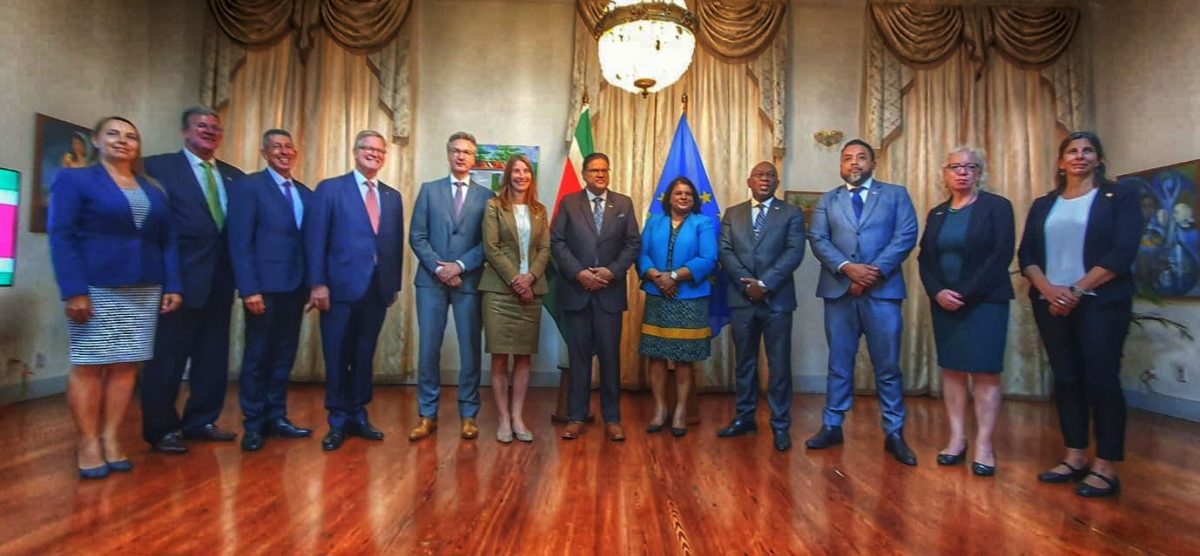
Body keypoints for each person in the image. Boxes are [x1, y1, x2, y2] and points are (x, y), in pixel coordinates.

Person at [48, 116, 182, 478]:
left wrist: (173, 285)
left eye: (131, 137)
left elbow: (165, 241)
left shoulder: (152, 187)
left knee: (125, 366)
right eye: (113, 134)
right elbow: (62, 236)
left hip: (144, 286)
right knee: (90, 364)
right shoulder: (75, 179)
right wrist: (74, 290)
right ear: (96, 140)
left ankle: (110, 439)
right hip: (95, 286)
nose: (123, 141)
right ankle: (88, 443)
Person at [1018, 131, 1141, 497]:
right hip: (1051, 303)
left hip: (1100, 303)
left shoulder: (1118, 196)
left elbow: (1121, 252)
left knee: (1101, 381)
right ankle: (1074, 456)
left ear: (1099, 159)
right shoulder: (1043, 204)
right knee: (1067, 380)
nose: (1080, 156)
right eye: (1072, 151)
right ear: (1060, 162)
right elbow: (1026, 255)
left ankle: (1105, 465)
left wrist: (1076, 290)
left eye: (1088, 151)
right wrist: (1047, 289)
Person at [806, 139, 919, 466]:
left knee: (887, 366)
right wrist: (847, 269)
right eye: (847, 158)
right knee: (839, 363)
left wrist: (873, 272)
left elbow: (906, 236)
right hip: (839, 292)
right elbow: (818, 239)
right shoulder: (828, 200)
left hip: (882, 292)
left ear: (873, 162)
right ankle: (832, 425)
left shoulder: (896, 195)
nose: (854, 163)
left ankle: (895, 432)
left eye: (860, 157)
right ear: (840, 165)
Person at [140, 106, 245, 454]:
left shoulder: (233, 176)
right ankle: (162, 429)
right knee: (167, 358)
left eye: (216, 127)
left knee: (212, 357)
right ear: (185, 132)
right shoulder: (157, 167)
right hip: (177, 281)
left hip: (220, 281)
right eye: (202, 126)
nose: (210, 131)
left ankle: (201, 420)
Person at [916, 146, 1015, 476]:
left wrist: (964, 292)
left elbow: (1000, 255)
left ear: (979, 172)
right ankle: (957, 439)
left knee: (985, 372)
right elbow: (925, 259)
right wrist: (938, 291)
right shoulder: (938, 213)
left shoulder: (997, 207)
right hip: (945, 304)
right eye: (955, 167)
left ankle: (984, 445)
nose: (962, 172)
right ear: (944, 174)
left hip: (985, 302)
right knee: (953, 370)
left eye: (969, 167)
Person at [305, 130, 405, 451]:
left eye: (379, 150)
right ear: (355, 151)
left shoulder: (392, 197)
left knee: (364, 355)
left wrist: (393, 286)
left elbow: (394, 246)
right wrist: (318, 284)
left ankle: (359, 414)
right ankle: (337, 420)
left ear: (384, 156)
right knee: (336, 355)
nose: (373, 154)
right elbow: (315, 240)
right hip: (338, 290)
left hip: (377, 290)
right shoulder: (331, 189)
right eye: (367, 148)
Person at [226, 129, 313, 452]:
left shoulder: (305, 193)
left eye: (289, 146)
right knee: (257, 356)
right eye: (276, 147)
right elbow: (240, 242)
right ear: (263, 153)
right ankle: (253, 423)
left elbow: (310, 244)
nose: (284, 151)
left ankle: (277, 417)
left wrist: (313, 284)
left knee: (283, 356)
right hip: (262, 289)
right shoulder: (248, 187)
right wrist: (249, 288)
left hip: (295, 288)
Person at [408, 132, 495, 442]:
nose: (461, 156)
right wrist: (439, 268)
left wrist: (458, 267)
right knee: (429, 349)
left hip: (468, 281)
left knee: (470, 350)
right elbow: (417, 235)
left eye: (467, 152)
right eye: (456, 151)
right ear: (448, 154)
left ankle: (469, 415)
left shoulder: (487, 197)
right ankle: (426, 415)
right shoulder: (429, 191)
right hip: (430, 282)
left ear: (474, 158)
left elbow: (488, 243)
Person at [716, 162, 806, 451]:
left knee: (778, 366)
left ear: (776, 182)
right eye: (759, 175)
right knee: (745, 363)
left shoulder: (791, 213)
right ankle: (745, 418)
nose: (764, 179)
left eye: (770, 176)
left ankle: (780, 426)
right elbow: (725, 251)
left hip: (777, 300)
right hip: (741, 300)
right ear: (749, 181)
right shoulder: (732, 214)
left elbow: (794, 252)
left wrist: (764, 284)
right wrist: (747, 285)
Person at [550, 152, 640, 441]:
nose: (600, 174)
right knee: (579, 358)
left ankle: (612, 418)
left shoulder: (623, 203)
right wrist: (579, 273)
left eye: (604, 170)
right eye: (594, 170)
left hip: (609, 293)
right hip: (577, 291)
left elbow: (632, 243)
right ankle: (576, 416)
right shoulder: (569, 203)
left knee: (611, 358)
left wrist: (610, 273)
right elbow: (557, 242)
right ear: (585, 173)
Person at [639, 176, 718, 438]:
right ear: (669, 198)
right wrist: (655, 276)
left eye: (688, 194)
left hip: (690, 298)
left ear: (694, 199)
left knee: (684, 358)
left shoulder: (703, 223)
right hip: (657, 295)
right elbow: (642, 253)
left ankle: (681, 412)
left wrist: (672, 277)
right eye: (678, 193)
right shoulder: (655, 221)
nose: (683, 197)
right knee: (657, 356)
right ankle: (660, 409)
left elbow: (708, 258)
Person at [479, 155, 549, 443]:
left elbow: (545, 248)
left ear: (531, 177)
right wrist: (516, 281)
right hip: (499, 291)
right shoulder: (494, 206)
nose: (521, 175)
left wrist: (529, 278)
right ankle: (503, 419)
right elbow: (491, 248)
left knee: (523, 357)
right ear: (508, 175)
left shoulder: (539, 210)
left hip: (531, 291)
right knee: (499, 357)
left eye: (526, 171)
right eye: (516, 171)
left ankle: (518, 416)